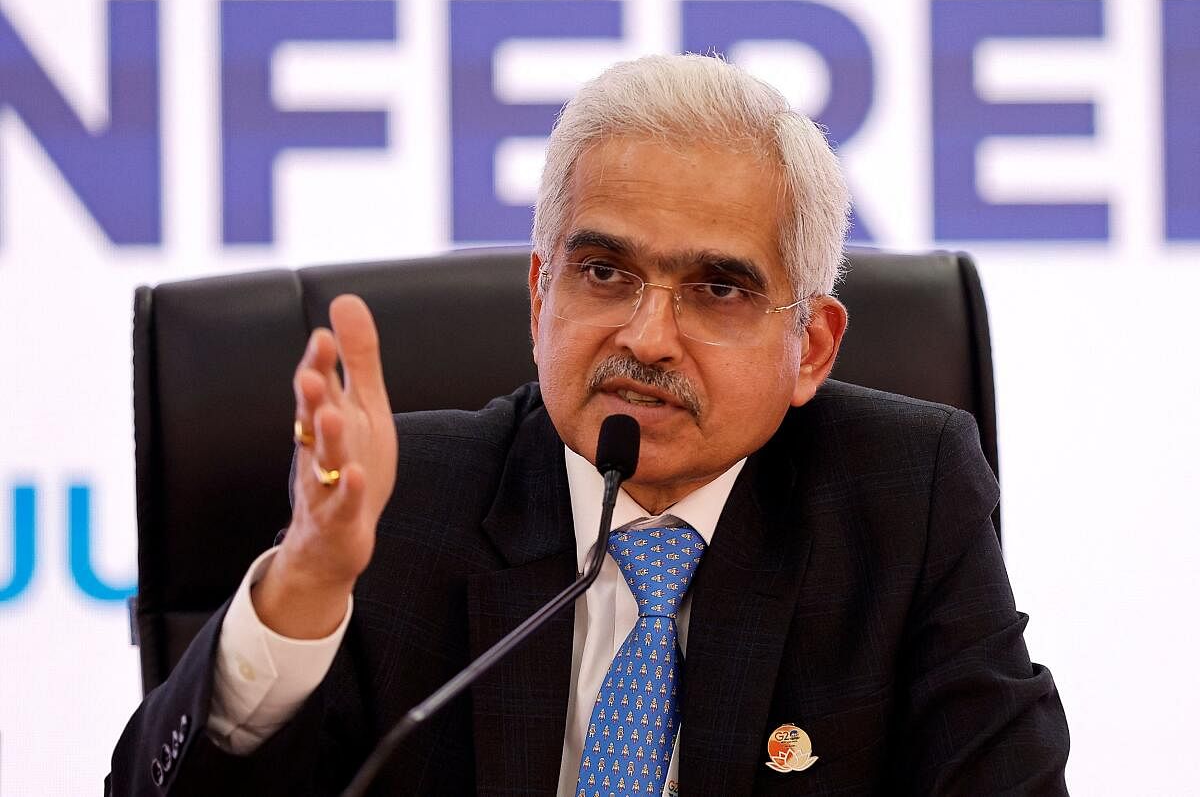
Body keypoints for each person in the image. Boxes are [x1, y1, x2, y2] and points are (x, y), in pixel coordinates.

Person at [107, 54, 1069, 795]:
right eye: (604, 273)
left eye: (718, 288)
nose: (647, 338)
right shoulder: (402, 507)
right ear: (539, 296)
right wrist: (302, 590)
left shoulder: (906, 499)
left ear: (811, 347)